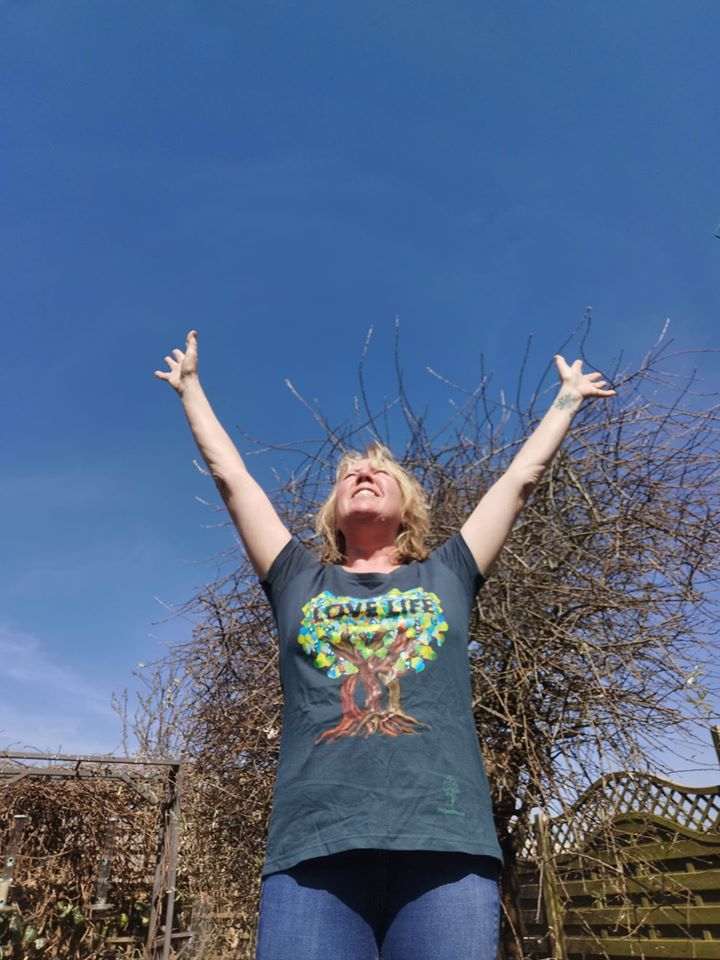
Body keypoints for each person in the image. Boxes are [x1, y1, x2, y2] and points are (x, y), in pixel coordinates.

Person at [155, 331, 615, 960]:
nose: (363, 474)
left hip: (445, 845)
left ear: (407, 509)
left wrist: (566, 400)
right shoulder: (296, 580)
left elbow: (519, 480)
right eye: (349, 474)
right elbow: (233, 480)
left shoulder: (449, 573)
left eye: (380, 472)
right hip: (313, 850)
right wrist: (190, 390)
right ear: (332, 513)